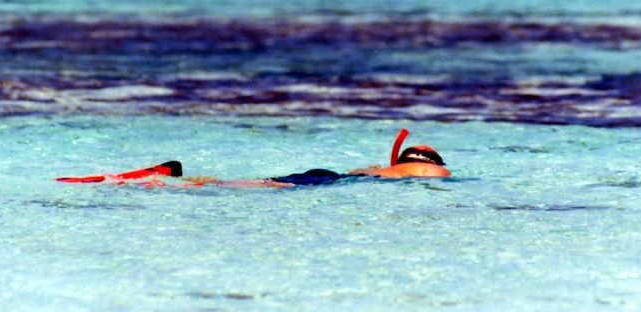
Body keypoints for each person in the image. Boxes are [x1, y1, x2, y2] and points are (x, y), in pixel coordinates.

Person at [56, 129, 451, 188]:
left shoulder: (381, 168)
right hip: (324, 182)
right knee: (256, 187)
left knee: (258, 184)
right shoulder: (421, 169)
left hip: (328, 176)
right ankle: (169, 181)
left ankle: (173, 177)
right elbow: (440, 174)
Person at [185, 129, 451, 188]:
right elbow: (440, 176)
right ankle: (211, 183)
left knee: (274, 182)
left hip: (336, 176)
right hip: (336, 182)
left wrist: (377, 170)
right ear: (432, 160)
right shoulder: (429, 170)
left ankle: (212, 183)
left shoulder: (387, 170)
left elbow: (355, 172)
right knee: (276, 185)